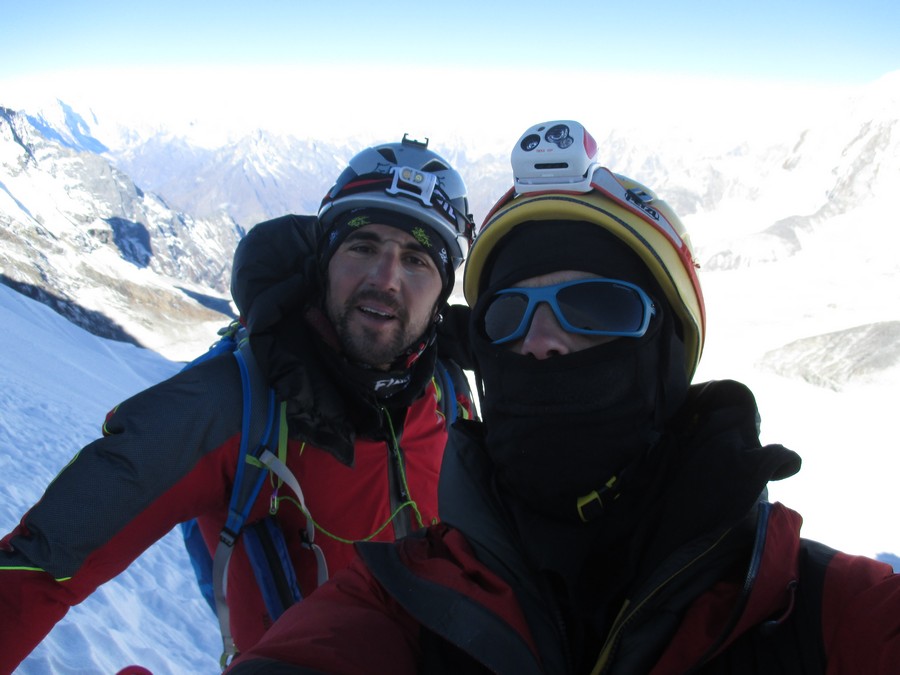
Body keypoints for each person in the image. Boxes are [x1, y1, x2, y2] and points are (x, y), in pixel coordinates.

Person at [225, 120, 900, 674]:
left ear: (666, 350)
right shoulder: (403, 598)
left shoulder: (819, 613)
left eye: (595, 305)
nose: (541, 341)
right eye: (509, 313)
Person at [0, 134, 476, 671]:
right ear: (324, 262)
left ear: (442, 295)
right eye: (362, 246)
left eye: (416, 259)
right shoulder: (231, 405)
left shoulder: (448, 394)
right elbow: (41, 564)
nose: (384, 279)